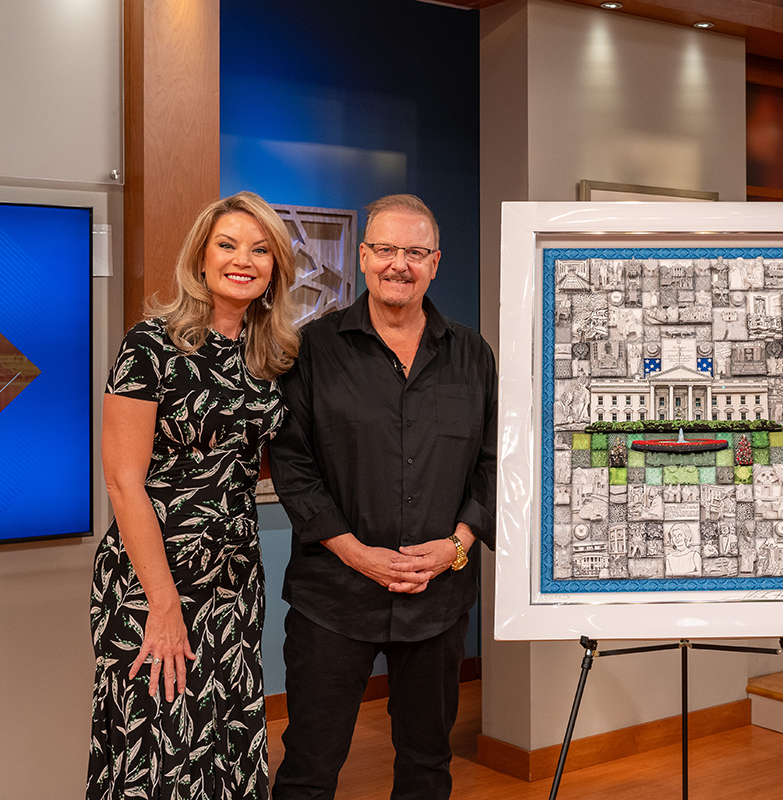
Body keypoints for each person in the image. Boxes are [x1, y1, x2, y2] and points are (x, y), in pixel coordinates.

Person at [269, 194, 497, 800]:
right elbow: (293, 465)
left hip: (437, 601)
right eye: (387, 250)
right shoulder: (312, 349)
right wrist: (355, 552)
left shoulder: (474, 356)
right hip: (333, 598)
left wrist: (457, 544)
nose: (400, 264)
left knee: (427, 766)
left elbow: (494, 464)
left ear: (436, 262)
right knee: (309, 770)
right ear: (364, 256)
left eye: (415, 252)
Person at [89, 191, 299, 799]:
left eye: (261, 250)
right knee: (155, 756)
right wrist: (163, 603)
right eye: (228, 245)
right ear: (200, 259)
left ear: (275, 268)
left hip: (234, 582)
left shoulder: (271, 357)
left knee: (228, 747)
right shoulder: (150, 346)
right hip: (152, 581)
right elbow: (123, 482)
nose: (244, 259)